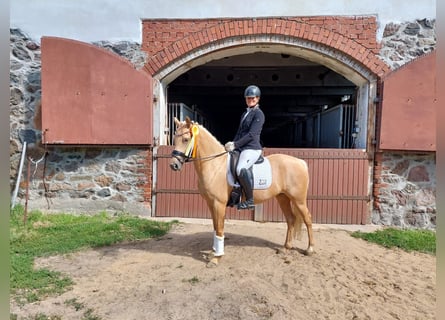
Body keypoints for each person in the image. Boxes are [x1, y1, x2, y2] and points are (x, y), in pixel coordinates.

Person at [224, 85, 265, 210]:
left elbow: (252, 134)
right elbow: (240, 132)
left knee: (240, 168)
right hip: (242, 147)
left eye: (252, 98)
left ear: (257, 99)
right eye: (248, 98)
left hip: (252, 148)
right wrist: (232, 143)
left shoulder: (259, 114)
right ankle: (234, 194)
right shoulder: (245, 113)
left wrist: (236, 145)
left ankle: (250, 200)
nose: (250, 100)